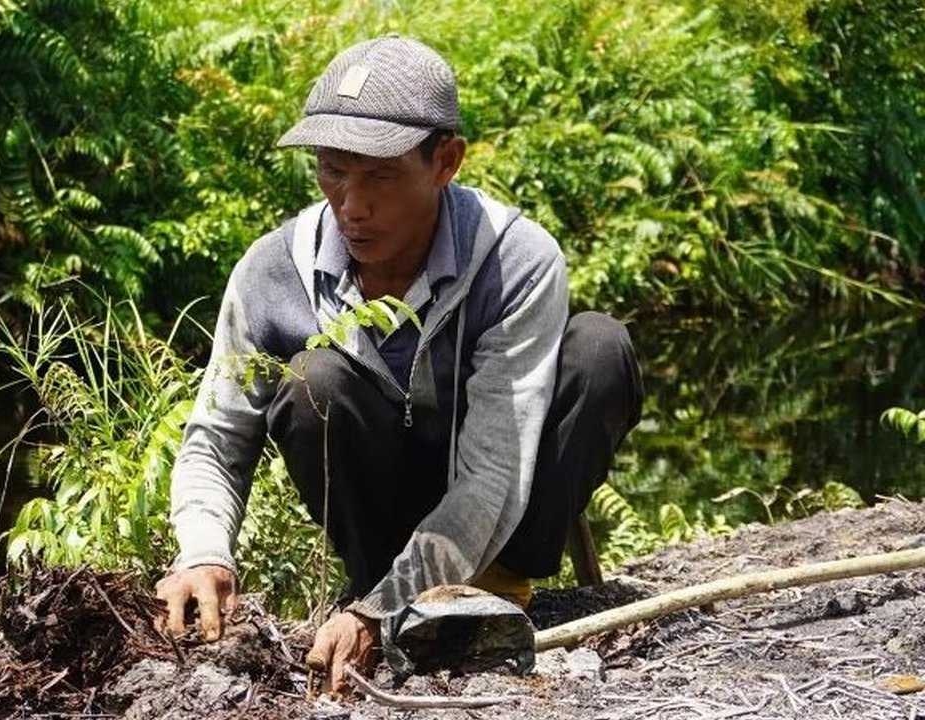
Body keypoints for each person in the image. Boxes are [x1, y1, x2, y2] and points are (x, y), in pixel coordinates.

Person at [155, 35, 643, 693]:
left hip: (499, 516)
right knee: (315, 382)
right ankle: (381, 585)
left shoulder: (516, 260)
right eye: (333, 171)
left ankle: (498, 585)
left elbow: (492, 472)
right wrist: (204, 554)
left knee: (599, 350)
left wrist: (381, 612)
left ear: (446, 162)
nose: (352, 206)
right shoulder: (273, 272)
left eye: (380, 176)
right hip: (380, 519)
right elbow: (216, 439)